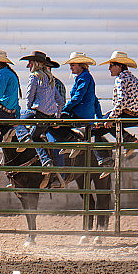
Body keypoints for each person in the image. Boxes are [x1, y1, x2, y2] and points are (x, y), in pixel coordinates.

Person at [43, 52, 102, 188]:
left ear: (81, 65)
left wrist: (65, 110)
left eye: (73, 65)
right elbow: (95, 100)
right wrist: (99, 117)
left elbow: (77, 98)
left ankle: (72, 141)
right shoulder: (85, 77)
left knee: (54, 125)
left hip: (79, 115)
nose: (70, 67)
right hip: (84, 114)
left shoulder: (84, 78)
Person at [92, 51, 138, 171]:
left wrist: (111, 118)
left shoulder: (120, 79)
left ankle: (104, 160)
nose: (109, 69)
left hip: (124, 114)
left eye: (111, 65)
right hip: (135, 116)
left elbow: (121, 101)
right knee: (103, 122)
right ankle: (128, 138)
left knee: (96, 129)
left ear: (119, 66)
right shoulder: (133, 78)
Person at [13, 51, 65, 168]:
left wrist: (29, 115)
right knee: (36, 137)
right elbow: (60, 101)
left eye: (30, 63)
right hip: (50, 117)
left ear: (35, 63)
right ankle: (46, 161)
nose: (28, 66)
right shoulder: (50, 79)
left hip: (38, 114)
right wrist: (57, 117)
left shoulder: (34, 76)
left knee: (15, 116)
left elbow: (29, 98)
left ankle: (24, 137)